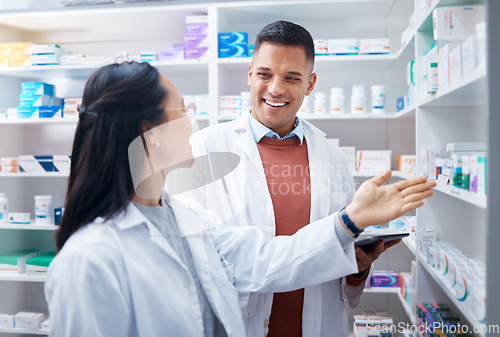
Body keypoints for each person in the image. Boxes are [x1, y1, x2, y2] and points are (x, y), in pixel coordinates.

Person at [45, 61, 434, 337]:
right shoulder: (89, 259)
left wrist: (352, 219)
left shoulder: (188, 217)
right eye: (182, 109)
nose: (192, 118)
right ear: (152, 133)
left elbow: (266, 260)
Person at [186, 21, 427, 337]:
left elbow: (340, 265)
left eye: (291, 78)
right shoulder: (203, 149)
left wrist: (358, 265)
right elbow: (198, 260)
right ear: (249, 73)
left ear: (310, 84)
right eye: (265, 74)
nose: (275, 89)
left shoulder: (333, 159)